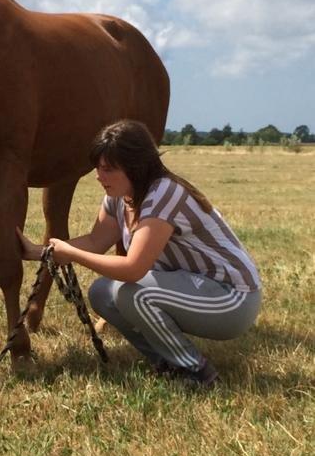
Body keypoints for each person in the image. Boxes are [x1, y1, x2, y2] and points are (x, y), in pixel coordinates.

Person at [17, 119, 261, 388]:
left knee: (134, 293)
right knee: (102, 292)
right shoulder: (120, 197)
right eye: (98, 168)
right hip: (196, 288)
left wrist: (72, 254)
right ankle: (167, 361)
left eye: (108, 169)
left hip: (233, 299)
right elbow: (97, 241)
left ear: (135, 166)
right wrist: (39, 252)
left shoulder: (164, 193)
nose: (99, 176)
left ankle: (195, 371)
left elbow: (134, 269)